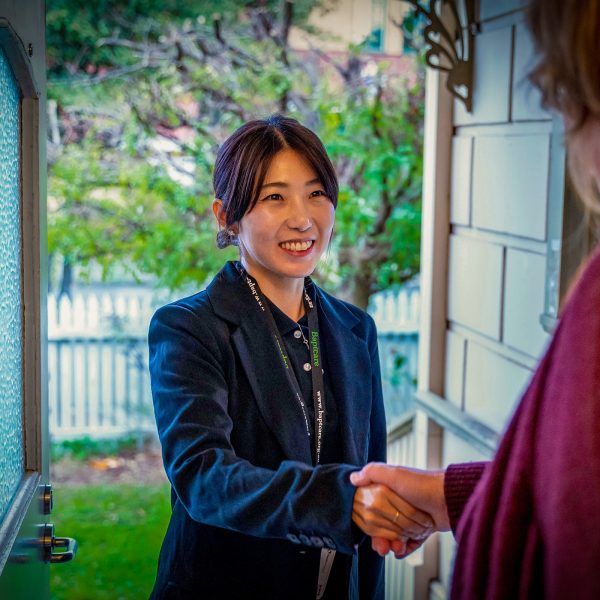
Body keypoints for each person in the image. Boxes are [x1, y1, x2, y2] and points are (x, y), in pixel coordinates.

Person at [351, 0, 600, 598]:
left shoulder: (350, 325)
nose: (564, 118)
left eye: (567, 90)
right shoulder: (187, 326)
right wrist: (441, 496)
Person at [148, 115, 433, 600]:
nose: (302, 218)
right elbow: (204, 477)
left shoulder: (354, 329)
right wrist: (342, 502)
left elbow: (369, 469)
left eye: (317, 194)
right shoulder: (190, 328)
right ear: (226, 216)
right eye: (274, 197)